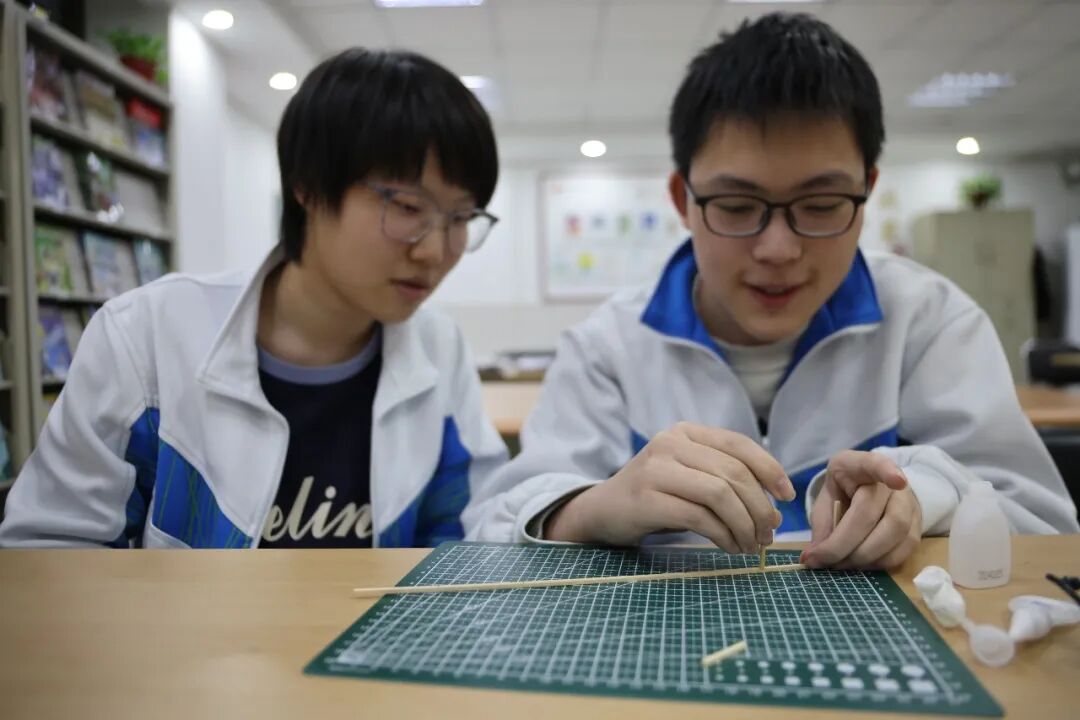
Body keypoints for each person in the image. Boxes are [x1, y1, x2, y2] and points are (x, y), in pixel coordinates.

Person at [463, 13, 1078, 567]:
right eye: (737, 206)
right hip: (674, 641)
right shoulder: (609, 346)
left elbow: (1043, 520)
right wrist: (592, 508)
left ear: (866, 192)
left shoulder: (928, 321)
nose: (778, 249)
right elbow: (490, 528)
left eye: (821, 204)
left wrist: (927, 495)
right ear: (682, 200)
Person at [0, 48, 507, 549]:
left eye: (461, 218)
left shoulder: (439, 348)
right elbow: (52, 551)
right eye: (408, 207)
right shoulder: (147, 338)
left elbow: (470, 528)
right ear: (308, 187)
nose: (435, 251)